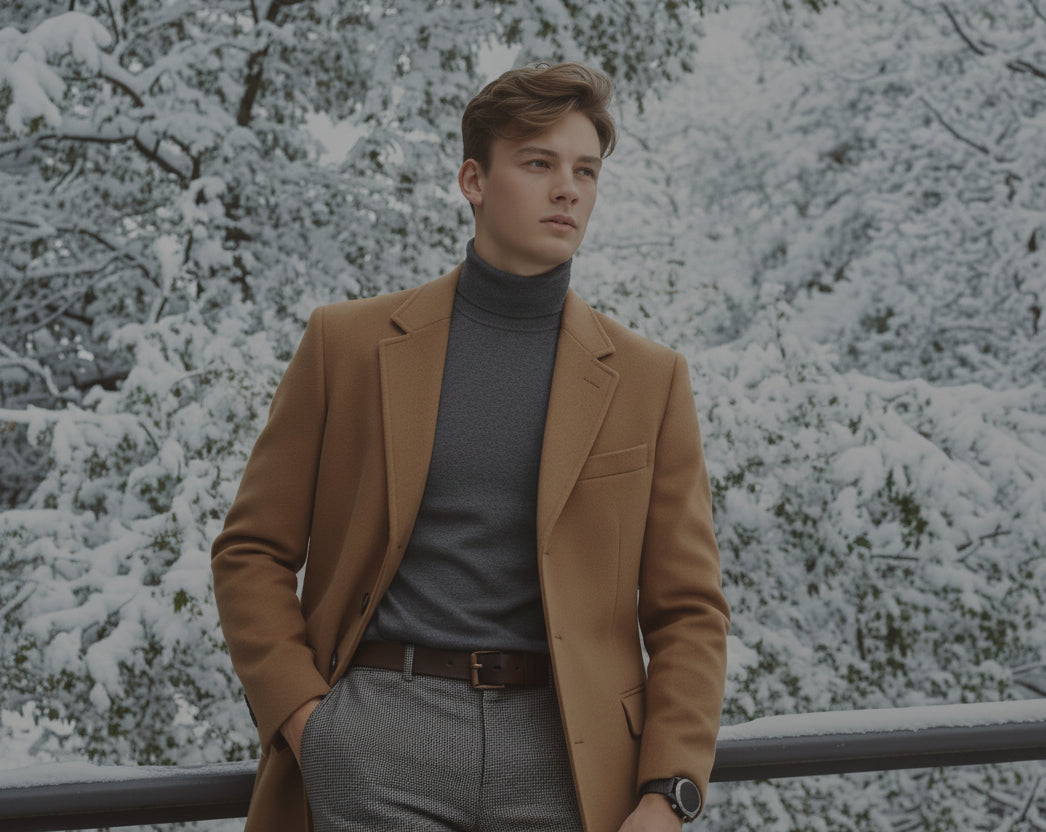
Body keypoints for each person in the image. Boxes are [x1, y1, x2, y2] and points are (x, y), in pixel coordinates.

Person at [211, 61, 729, 832]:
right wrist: (307, 721)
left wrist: (668, 791)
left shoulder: (649, 380)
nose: (568, 189)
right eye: (538, 163)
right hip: (380, 738)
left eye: (585, 170)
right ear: (473, 180)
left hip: (567, 755)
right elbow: (250, 551)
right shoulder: (346, 345)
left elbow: (689, 611)